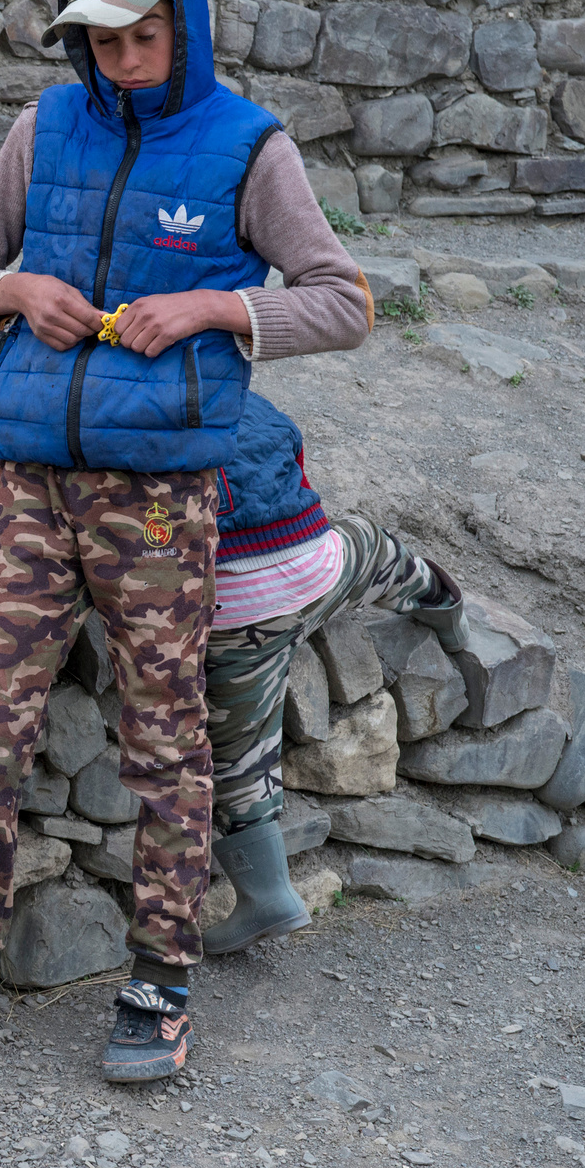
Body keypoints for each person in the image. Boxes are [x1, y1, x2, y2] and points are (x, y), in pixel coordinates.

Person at [0, 0, 372, 1084]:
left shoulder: (250, 149)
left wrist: (215, 309)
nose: (124, 60)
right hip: (33, 483)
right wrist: (11, 291)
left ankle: (158, 981)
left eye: (145, 37)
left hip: (161, 503)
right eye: (102, 41)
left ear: (185, 26)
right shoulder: (42, 127)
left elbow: (344, 301)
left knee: (163, 740)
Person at [197, 394, 471, 952]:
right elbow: (298, 479)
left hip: (235, 609)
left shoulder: (129, 414)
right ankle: (441, 602)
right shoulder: (254, 404)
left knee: (239, 752)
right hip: (314, 569)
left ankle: (267, 894)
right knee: (370, 545)